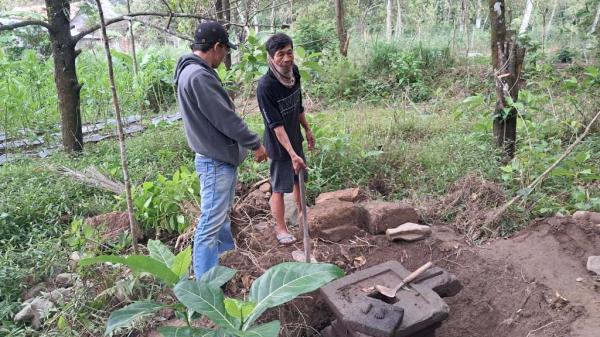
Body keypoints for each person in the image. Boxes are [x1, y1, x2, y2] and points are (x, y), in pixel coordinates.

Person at [173, 21, 267, 278]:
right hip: (215, 161)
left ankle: (226, 262)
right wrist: (254, 143)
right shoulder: (199, 76)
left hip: (214, 156)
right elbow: (225, 118)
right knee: (210, 224)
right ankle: (206, 284)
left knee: (220, 216)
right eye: (225, 51)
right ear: (216, 47)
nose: (225, 57)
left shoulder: (189, 72)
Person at [256, 33, 315, 245]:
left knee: (300, 181)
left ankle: (302, 216)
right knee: (279, 188)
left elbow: (298, 106)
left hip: (295, 138)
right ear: (271, 58)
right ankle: (281, 229)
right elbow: (276, 126)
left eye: (289, 52)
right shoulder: (266, 87)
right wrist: (291, 154)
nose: (287, 58)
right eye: (281, 55)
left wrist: (307, 130)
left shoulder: (294, 73)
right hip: (279, 146)